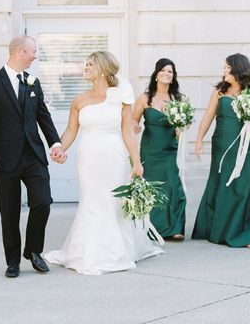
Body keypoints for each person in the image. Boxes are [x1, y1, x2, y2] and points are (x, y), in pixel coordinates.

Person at [45, 51, 164, 275]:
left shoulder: (121, 96)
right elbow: (71, 131)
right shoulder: (79, 100)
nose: (86, 68)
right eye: (86, 64)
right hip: (88, 157)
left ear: (102, 68)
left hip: (114, 156)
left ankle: (115, 251)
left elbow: (128, 132)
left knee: (112, 203)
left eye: (90, 64)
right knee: (91, 201)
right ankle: (88, 252)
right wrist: (59, 148)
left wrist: (136, 162)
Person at [0, 36, 65, 278]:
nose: (35, 56)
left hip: (33, 156)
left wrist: (55, 143)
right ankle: (13, 261)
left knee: (43, 201)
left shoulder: (33, 83)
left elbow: (43, 117)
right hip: (3, 158)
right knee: (10, 211)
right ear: (19, 51)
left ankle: (34, 251)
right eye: (33, 51)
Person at [192, 54, 250, 248]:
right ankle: (221, 230)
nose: (224, 71)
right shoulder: (220, 91)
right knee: (222, 184)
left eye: (227, 68)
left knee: (246, 184)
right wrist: (199, 140)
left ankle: (249, 233)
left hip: (248, 145)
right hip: (222, 144)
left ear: (238, 69)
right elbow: (209, 115)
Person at [133, 58, 187, 241]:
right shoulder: (145, 98)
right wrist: (135, 128)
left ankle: (175, 227)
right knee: (151, 187)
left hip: (169, 150)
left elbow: (184, 126)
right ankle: (149, 228)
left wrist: (182, 128)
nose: (166, 73)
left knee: (172, 186)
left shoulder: (178, 100)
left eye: (170, 71)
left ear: (173, 77)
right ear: (156, 74)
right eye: (163, 70)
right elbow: (133, 121)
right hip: (150, 150)